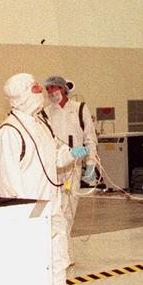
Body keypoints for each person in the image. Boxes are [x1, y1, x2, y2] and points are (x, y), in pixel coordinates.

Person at [0, 73, 91, 285]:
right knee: (29, 265)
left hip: (52, 205)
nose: (41, 92)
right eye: (36, 88)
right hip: (31, 212)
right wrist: (25, 215)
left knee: (58, 260)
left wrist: (72, 153)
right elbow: (8, 183)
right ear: (24, 94)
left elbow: (55, 158)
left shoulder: (40, 124)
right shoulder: (10, 131)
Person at [43, 75, 98, 251]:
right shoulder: (46, 113)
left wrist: (91, 163)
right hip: (54, 168)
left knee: (68, 209)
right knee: (54, 209)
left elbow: (90, 138)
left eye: (54, 88)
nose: (51, 92)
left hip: (73, 167)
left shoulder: (79, 109)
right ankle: (58, 249)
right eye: (48, 89)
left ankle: (64, 250)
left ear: (64, 88)